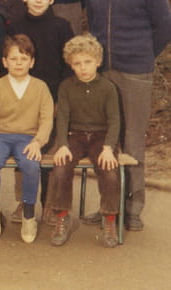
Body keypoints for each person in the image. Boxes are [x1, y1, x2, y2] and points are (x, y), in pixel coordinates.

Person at [84, 0, 171, 231]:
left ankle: (133, 208)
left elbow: (164, 27)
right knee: (104, 140)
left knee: (132, 140)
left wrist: (144, 53)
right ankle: (108, 205)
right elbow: (93, 22)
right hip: (101, 72)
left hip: (135, 72)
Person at [8, 0, 73, 223]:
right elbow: (9, 64)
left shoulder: (61, 27)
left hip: (52, 99)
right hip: (22, 99)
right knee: (24, 150)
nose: (38, 0)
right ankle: (24, 202)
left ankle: (51, 204)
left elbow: (68, 68)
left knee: (49, 151)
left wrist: (59, 102)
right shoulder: (14, 25)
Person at [0, 34, 54, 244]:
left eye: (24, 59)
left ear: (32, 62)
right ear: (5, 62)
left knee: (31, 165)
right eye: (13, 59)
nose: (19, 63)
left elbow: (47, 119)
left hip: (28, 138)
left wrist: (38, 142)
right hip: (1, 136)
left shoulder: (40, 87)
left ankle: (29, 214)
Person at [50, 34, 121, 247]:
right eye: (77, 63)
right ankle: (61, 216)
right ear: (71, 65)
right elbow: (62, 118)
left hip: (101, 138)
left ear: (97, 61)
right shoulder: (66, 87)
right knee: (60, 168)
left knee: (109, 171)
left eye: (88, 62)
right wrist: (62, 144)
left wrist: (108, 147)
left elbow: (114, 120)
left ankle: (109, 219)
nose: (83, 68)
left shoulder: (108, 87)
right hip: (75, 136)